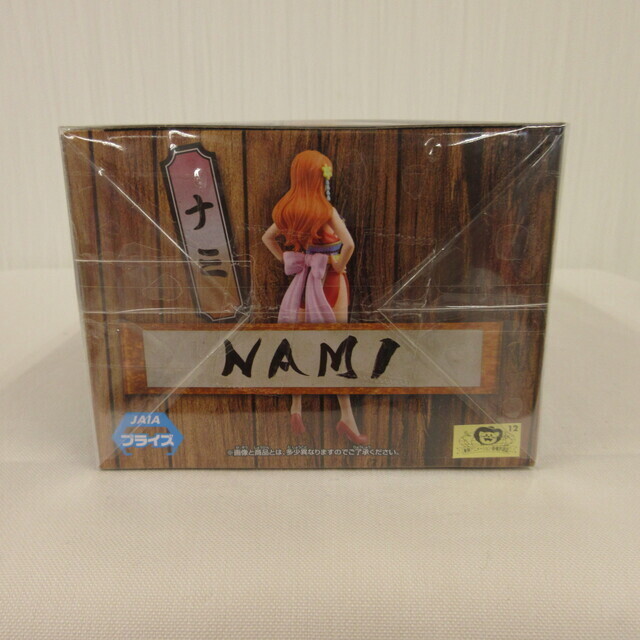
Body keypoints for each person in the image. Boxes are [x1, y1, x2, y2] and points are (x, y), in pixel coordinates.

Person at [261, 150, 367, 445]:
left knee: (300, 345)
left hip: (301, 283)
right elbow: (349, 245)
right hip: (329, 281)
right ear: (320, 177)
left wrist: (287, 259)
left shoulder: (287, 209)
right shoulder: (325, 210)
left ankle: (296, 407)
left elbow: (267, 238)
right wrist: (339, 266)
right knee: (336, 348)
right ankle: (346, 416)